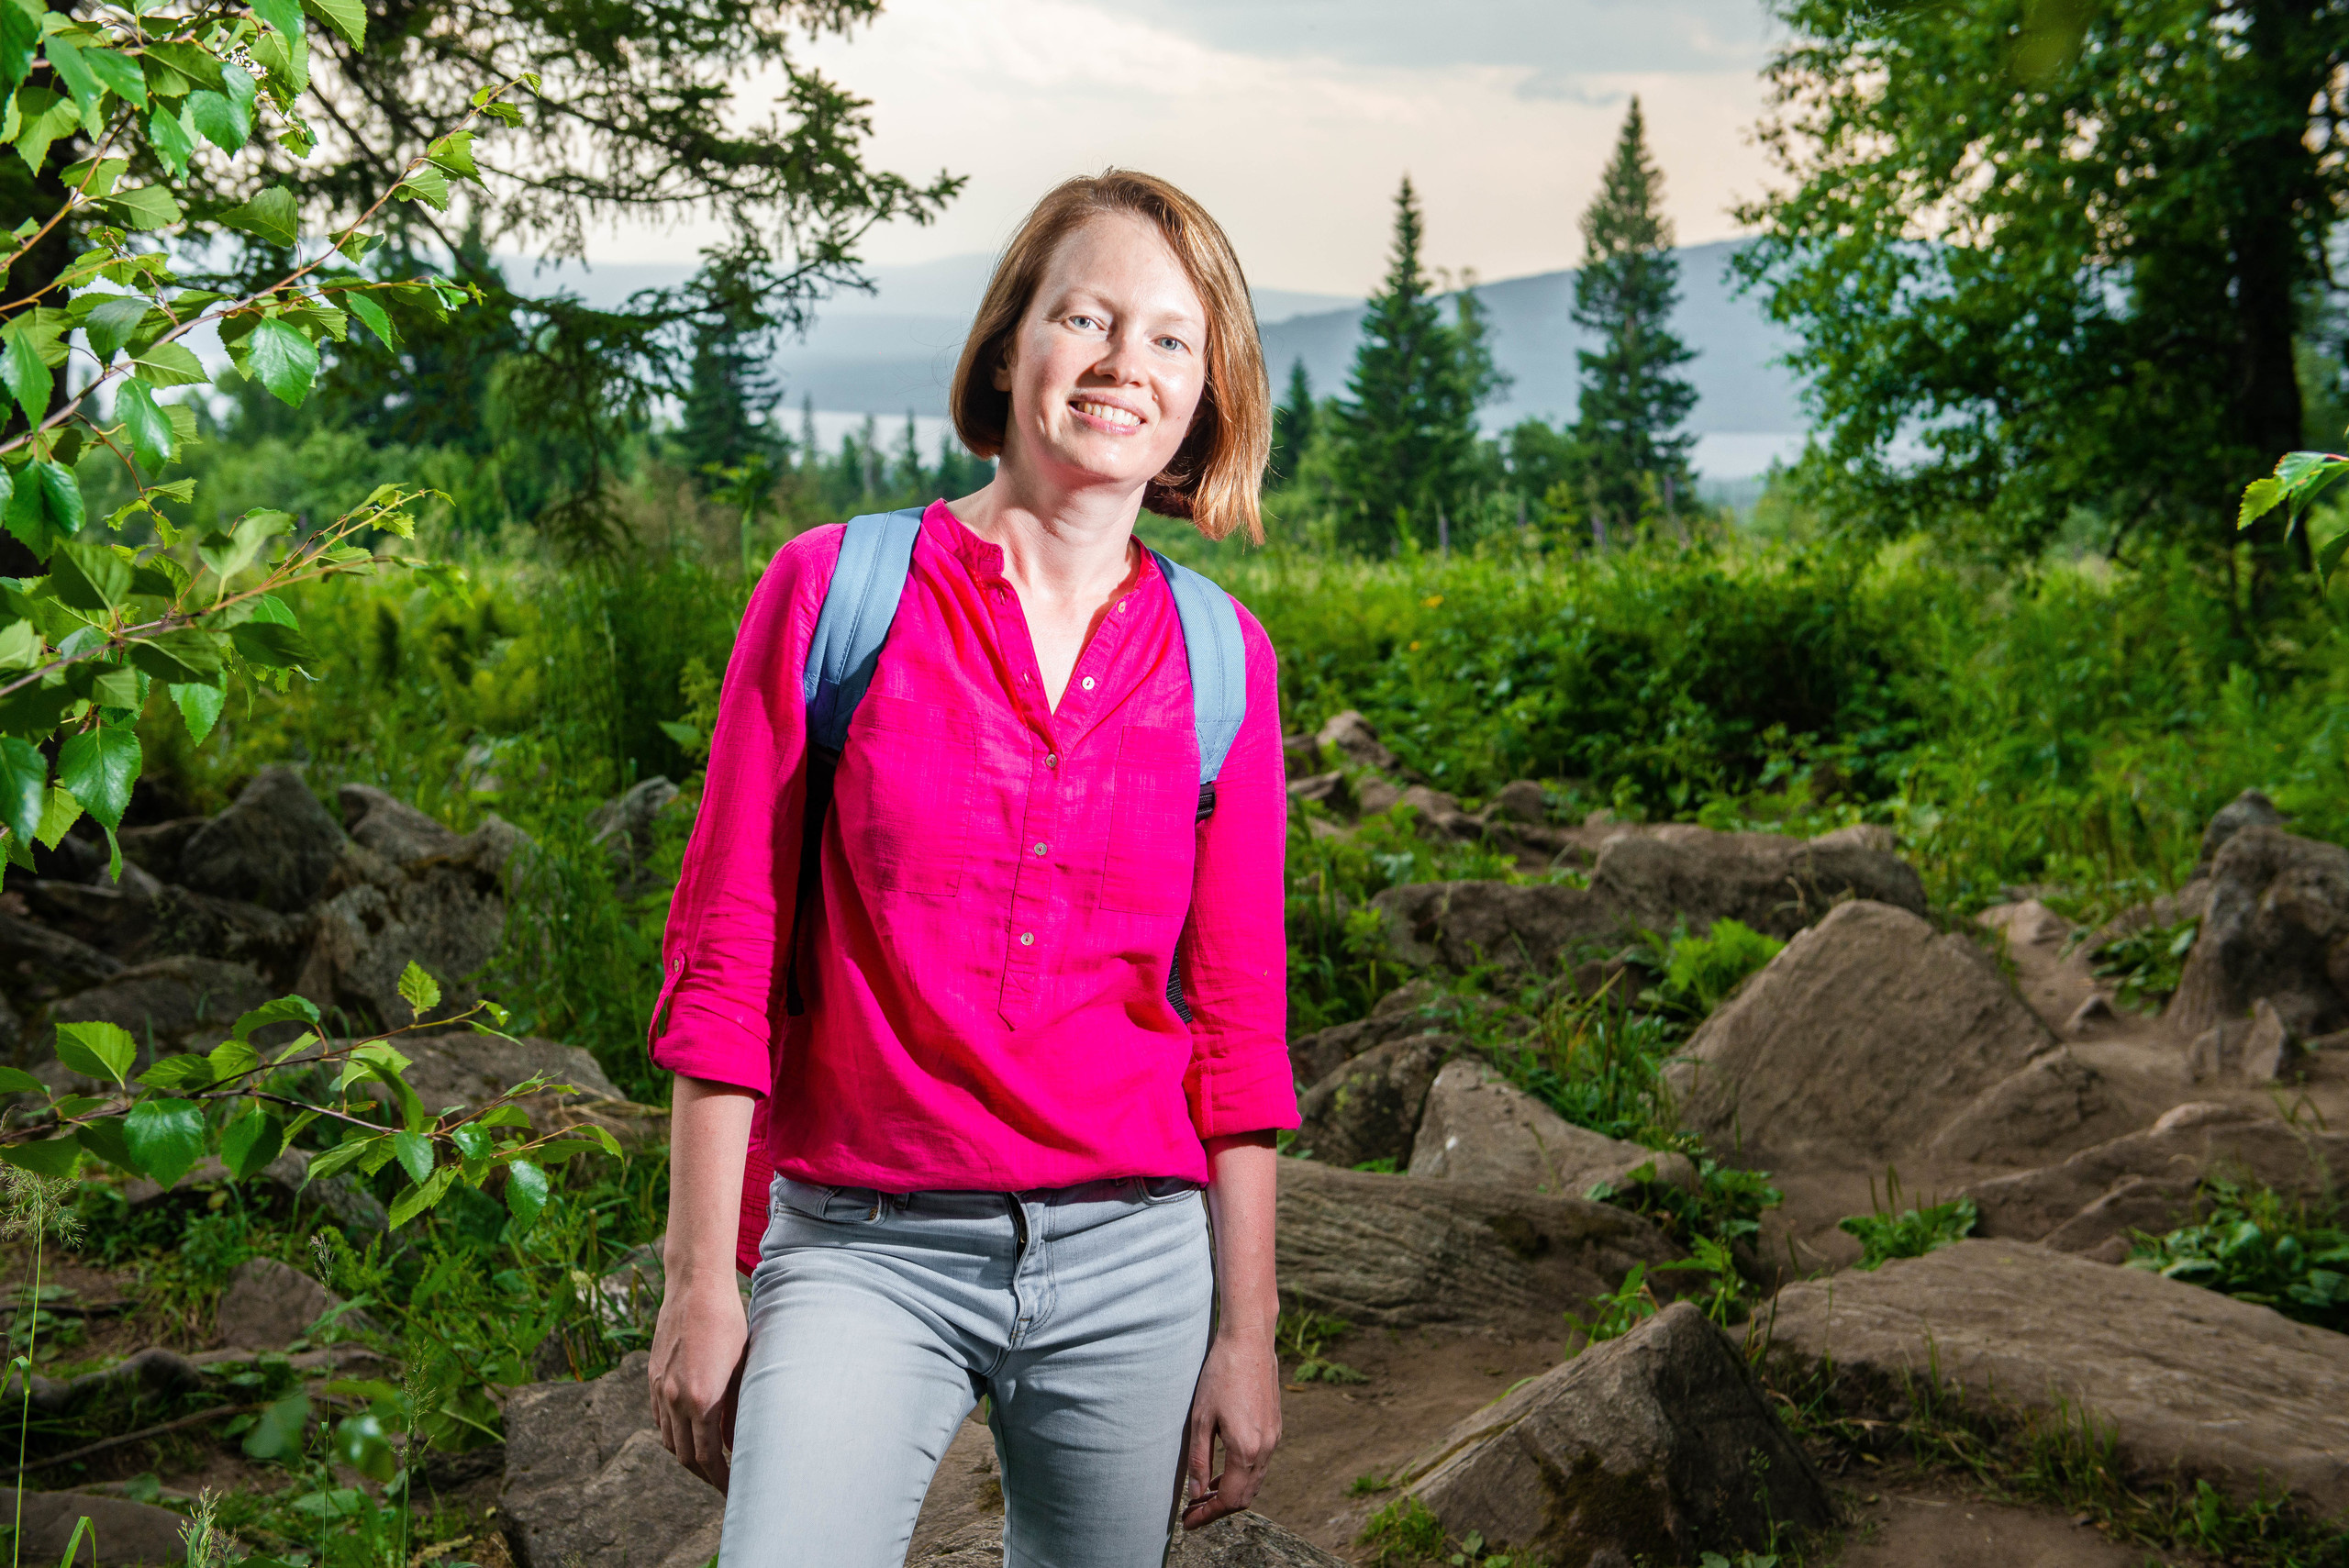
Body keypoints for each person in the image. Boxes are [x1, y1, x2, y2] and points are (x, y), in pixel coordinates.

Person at [644, 169, 1297, 1566]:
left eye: (1172, 338)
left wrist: (1249, 1333)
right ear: (1010, 346)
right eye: (1089, 316)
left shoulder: (1226, 662)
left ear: (1207, 391)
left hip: (1135, 1260)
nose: (1127, 364)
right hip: (863, 1244)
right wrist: (704, 1273)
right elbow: (725, 955)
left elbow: (1239, 1038)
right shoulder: (836, 590)